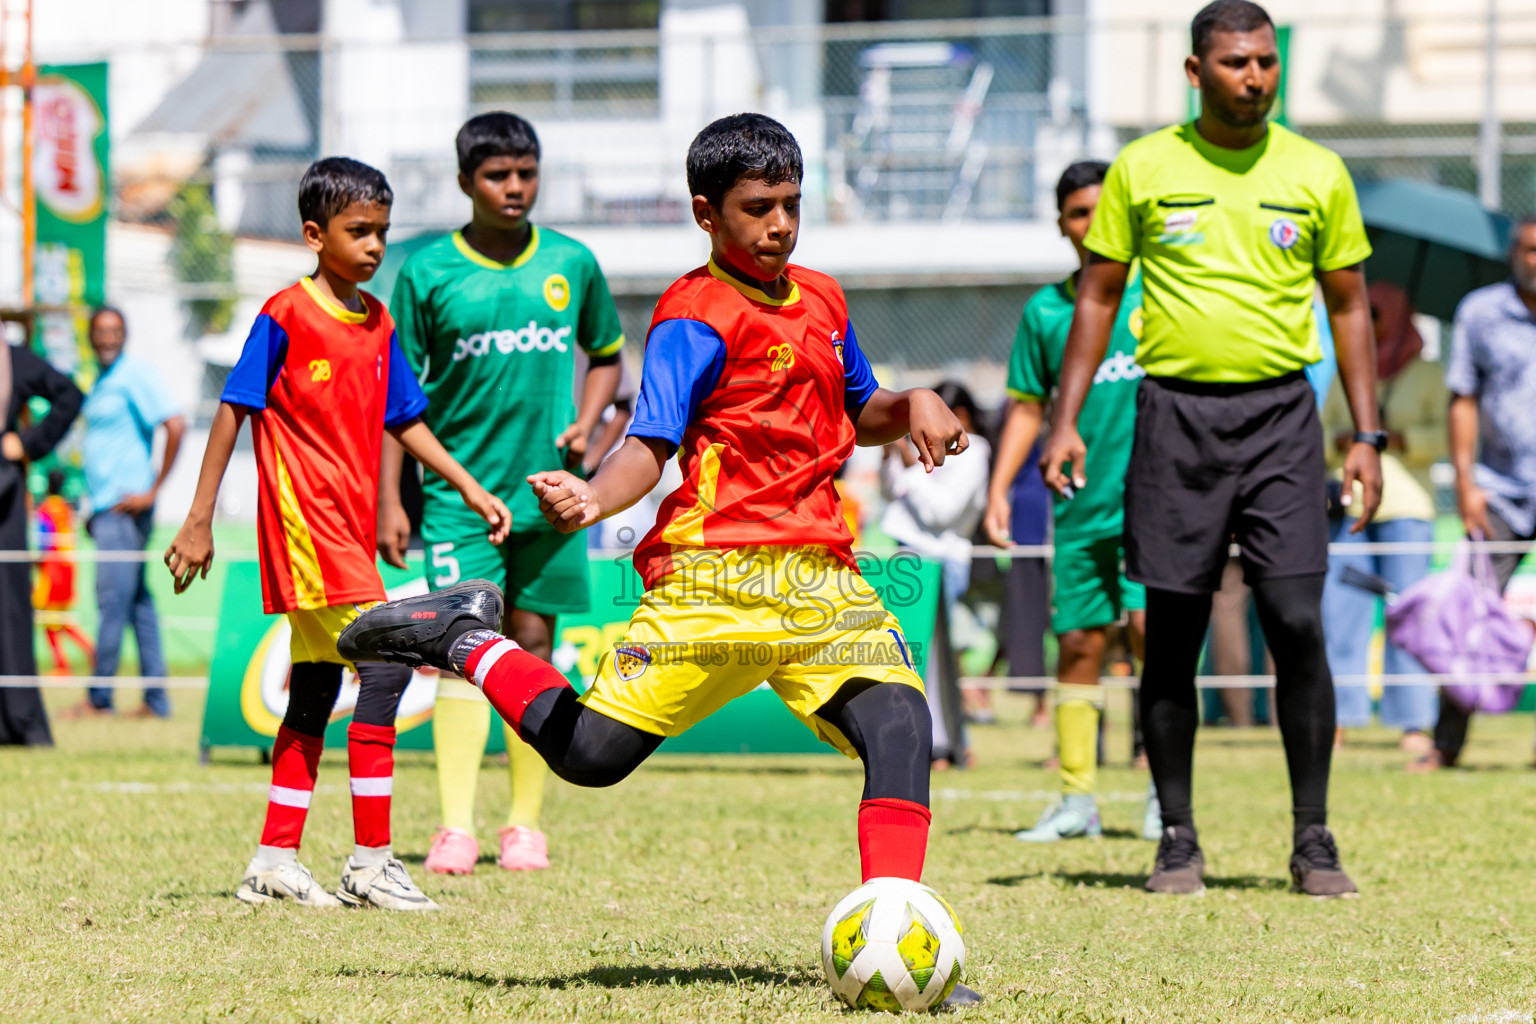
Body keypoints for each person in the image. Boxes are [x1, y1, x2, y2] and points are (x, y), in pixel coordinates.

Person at [339, 113, 981, 1008]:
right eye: (758, 209)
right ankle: (460, 639)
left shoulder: (825, 301)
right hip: (713, 580)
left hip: (823, 582)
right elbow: (652, 439)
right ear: (706, 215)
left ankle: (899, 955)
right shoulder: (692, 313)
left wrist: (911, 401)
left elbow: (860, 406)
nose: (781, 226)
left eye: (791, 204)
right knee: (592, 757)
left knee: (903, 733)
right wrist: (597, 496)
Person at [1039, 0, 1383, 897]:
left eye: (1266, 62)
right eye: (1236, 63)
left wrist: (1367, 435)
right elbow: (1097, 298)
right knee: (1173, 635)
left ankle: (1313, 841)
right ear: (1196, 73)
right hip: (1175, 419)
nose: (1255, 78)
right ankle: (1178, 839)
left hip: (1281, 421)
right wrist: (1064, 418)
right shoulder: (1144, 168)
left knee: (1298, 623)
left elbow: (1349, 306)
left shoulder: (1317, 171)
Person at [164, 157, 511, 910]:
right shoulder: (285, 314)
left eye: (383, 231)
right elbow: (234, 407)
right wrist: (199, 518)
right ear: (315, 235)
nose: (375, 245)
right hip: (304, 528)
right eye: (359, 231)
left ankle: (273, 860)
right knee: (385, 669)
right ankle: (371, 861)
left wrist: (469, 485)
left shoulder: (379, 321)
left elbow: (405, 419)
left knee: (319, 688)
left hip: (347, 532)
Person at [379, 112, 626, 877]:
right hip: (458, 500)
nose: (514, 188)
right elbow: (397, 396)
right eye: (497, 175)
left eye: (526, 173)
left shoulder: (572, 262)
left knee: (535, 646)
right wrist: (393, 500)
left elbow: (610, 357)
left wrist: (587, 424)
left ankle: (523, 827)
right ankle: (455, 827)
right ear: (465, 183)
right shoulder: (426, 273)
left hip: (550, 497)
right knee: (458, 654)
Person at [985, 160, 1151, 843]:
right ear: (1061, 224)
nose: (1091, 224)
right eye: (1079, 212)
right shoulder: (1047, 311)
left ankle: (1166, 799)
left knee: (1153, 642)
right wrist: (998, 489)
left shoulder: (1162, 293)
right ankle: (1077, 801)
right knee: (1080, 642)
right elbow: (1028, 406)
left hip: (1156, 504)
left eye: (1102, 210)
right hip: (1080, 506)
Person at [1420, 216, 1536, 771]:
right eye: (1530, 251)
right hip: (1498, 493)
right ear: (1513, 254)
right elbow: (1462, 398)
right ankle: (1446, 743)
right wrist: (1465, 483)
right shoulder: (1481, 313)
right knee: (1466, 619)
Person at [1321, 281, 1444, 752]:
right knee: (1340, 614)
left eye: (1377, 312)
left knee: (1409, 616)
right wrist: (1352, 439)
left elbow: (1445, 437)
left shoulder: (1428, 373)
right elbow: (1322, 429)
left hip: (1407, 509)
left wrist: (1395, 436)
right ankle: (1340, 715)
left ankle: (1413, 722)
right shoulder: (1346, 371)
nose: (1370, 321)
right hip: (1351, 508)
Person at [66, 307, 185, 719]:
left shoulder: (135, 374)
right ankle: (157, 700)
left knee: (112, 601)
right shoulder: (100, 381)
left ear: (125, 335)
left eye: (115, 331)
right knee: (137, 603)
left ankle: (99, 698)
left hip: (125, 512)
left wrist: (153, 490)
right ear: (90, 336)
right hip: (104, 510)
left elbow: (175, 424)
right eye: (100, 331)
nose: (107, 338)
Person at [880, 380, 991, 768]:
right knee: (908, 659)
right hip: (906, 561)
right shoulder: (918, 446)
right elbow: (890, 494)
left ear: (959, 416)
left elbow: (939, 513)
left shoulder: (974, 453)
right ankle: (932, 743)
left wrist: (910, 468)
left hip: (941, 564)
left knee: (941, 662)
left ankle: (951, 744)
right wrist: (891, 457)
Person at [0, 340, 82, 746]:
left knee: (12, 608)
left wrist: (28, 444)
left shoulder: (11, 358)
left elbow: (69, 394)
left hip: (4, 497)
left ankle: (19, 721)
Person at [34, 469, 95, 674]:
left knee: (47, 620)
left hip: (52, 570)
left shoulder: (45, 510)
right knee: (61, 619)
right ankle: (89, 649)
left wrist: (33, 563)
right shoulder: (67, 509)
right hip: (68, 569)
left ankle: (62, 666)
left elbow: (44, 542)